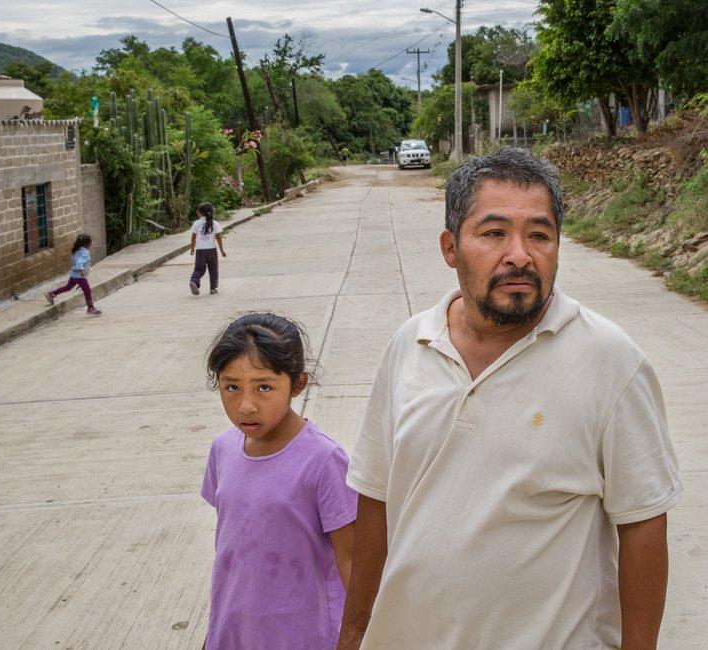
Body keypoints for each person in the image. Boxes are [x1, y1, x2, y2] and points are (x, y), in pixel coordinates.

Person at [338, 148, 682, 649]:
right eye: (494, 233)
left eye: (539, 235)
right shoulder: (410, 345)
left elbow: (644, 523)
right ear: (451, 248)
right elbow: (375, 497)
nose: (519, 254)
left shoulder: (610, 360)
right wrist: (353, 634)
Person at [201, 313, 358, 649]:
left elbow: (350, 560)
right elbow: (232, 551)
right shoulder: (223, 450)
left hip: (302, 636)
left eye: (264, 387)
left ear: (297, 384)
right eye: (231, 387)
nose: (245, 405)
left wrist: (356, 638)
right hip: (235, 632)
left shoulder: (324, 460)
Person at [45, 233, 101, 316]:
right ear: (88, 244)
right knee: (87, 291)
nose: (91, 244)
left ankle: (52, 293)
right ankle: (90, 308)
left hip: (74, 275)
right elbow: (79, 262)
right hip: (80, 276)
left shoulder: (77, 251)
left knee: (68, 287)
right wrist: (81, 270)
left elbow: (76, 260)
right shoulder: (85, 253)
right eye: (90, 242)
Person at [190, 202, 227, 296]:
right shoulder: (215, 223)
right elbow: (219, 237)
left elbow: (193, 237)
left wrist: (192, 247)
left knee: (199, 269)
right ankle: (213, 288)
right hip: (211, 250)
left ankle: (194, 281)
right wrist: (222, 250)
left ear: (200, 213)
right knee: (213, 269)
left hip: (200, 251)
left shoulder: (196, 223)